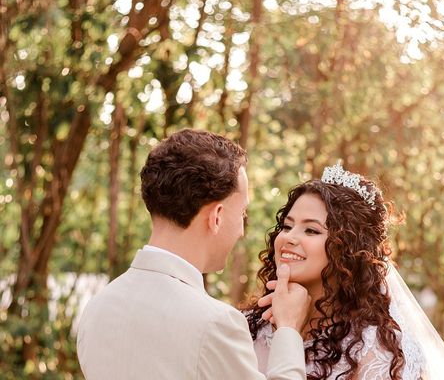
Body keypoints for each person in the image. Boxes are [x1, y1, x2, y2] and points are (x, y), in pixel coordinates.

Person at [77, 129, 311, 380]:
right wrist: (288, 328)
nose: (242, 231)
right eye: (242, 214)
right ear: (217, 217)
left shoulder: (98, 307)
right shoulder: (214, 324)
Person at [245, 162, 444, 379]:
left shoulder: (377, 351)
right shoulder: (246, 327)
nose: (289, 238)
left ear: (347, 249)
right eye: (287, 226)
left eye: (311, 230)